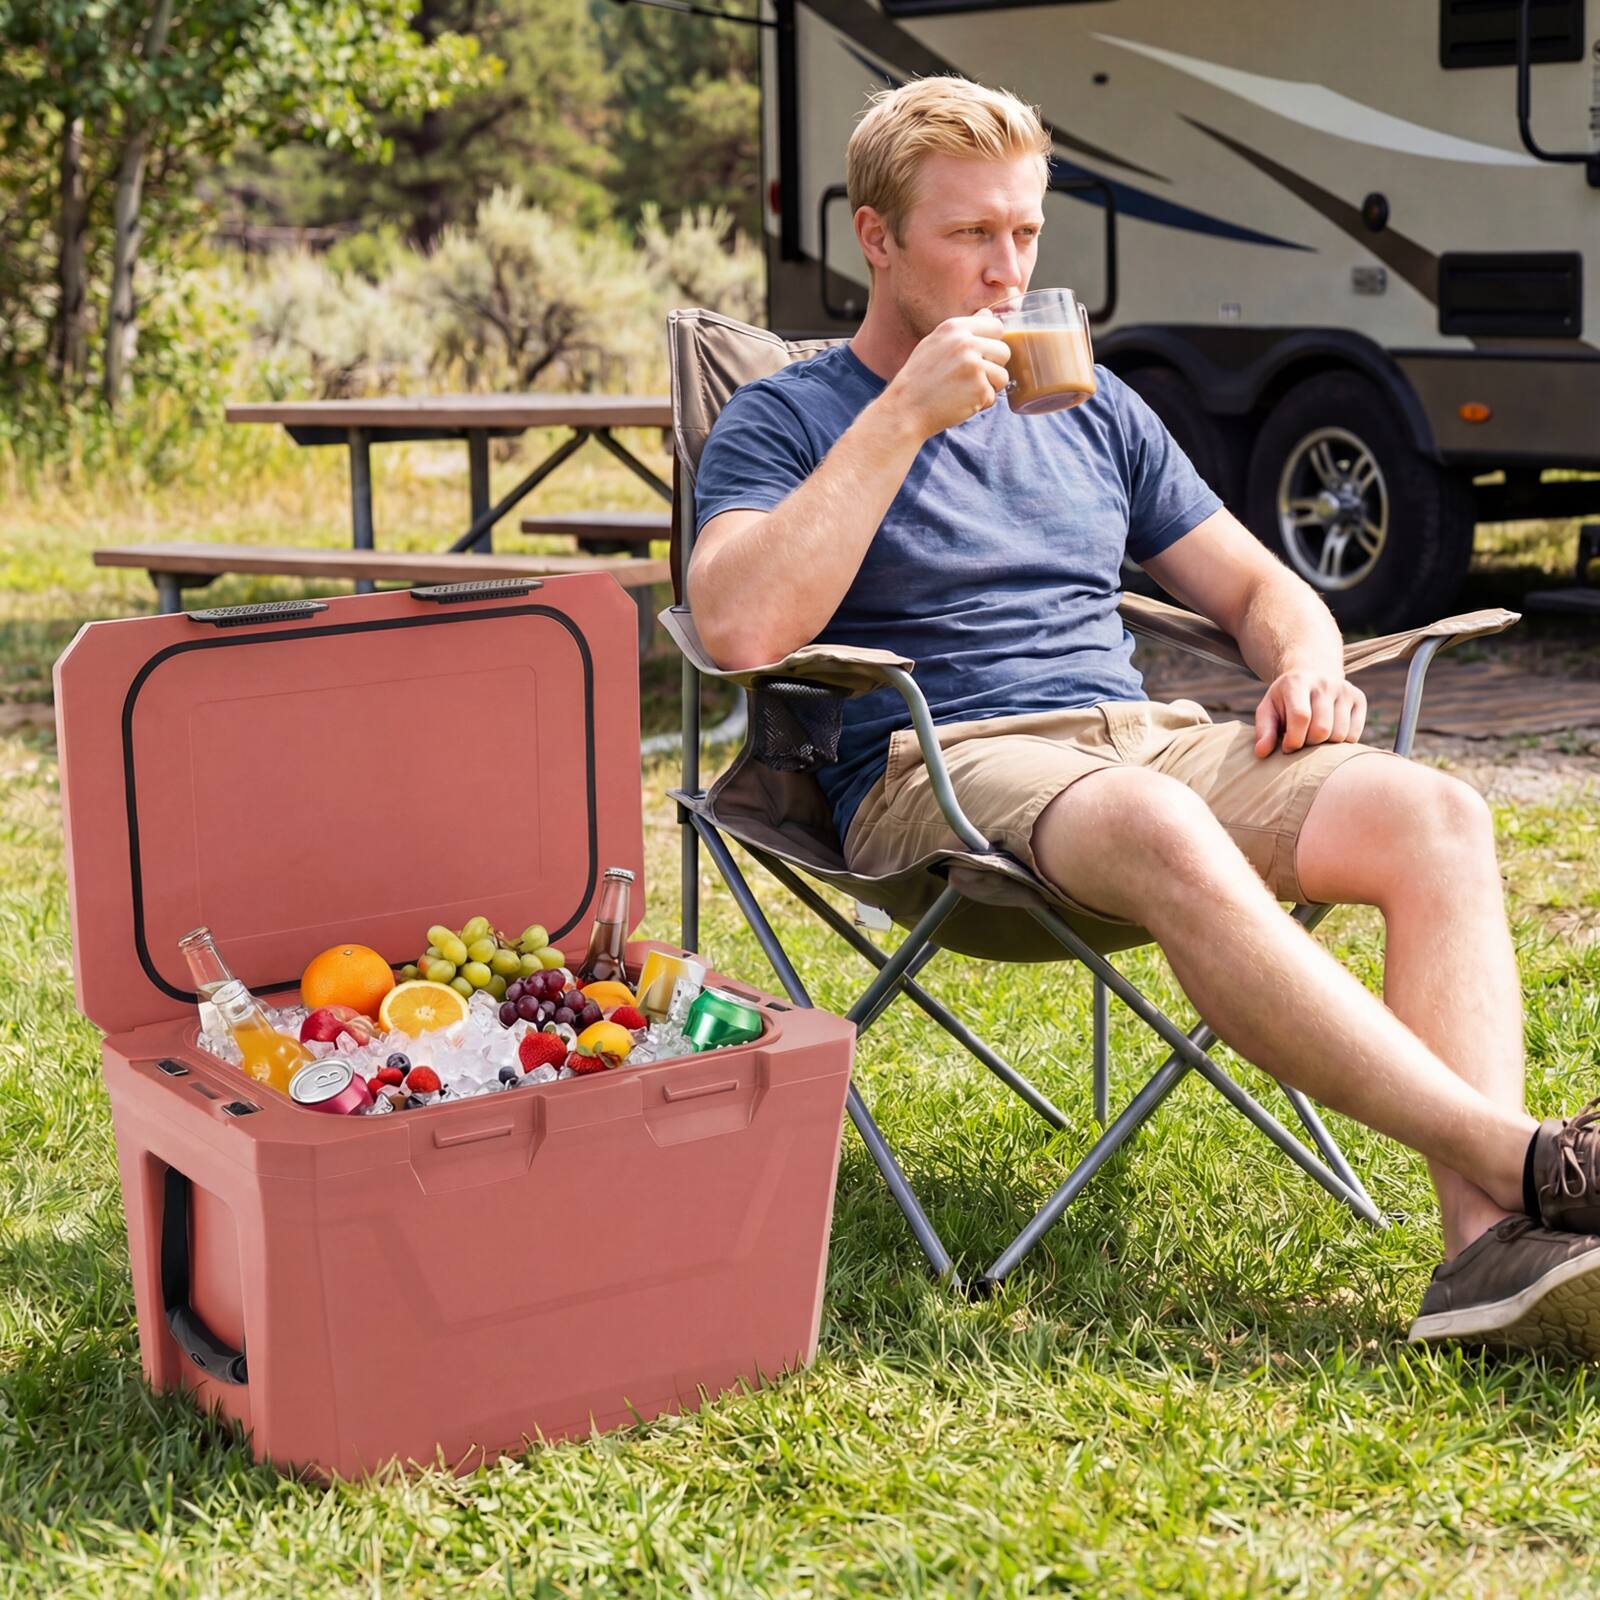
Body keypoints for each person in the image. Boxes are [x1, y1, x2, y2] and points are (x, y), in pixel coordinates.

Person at [686, 74, 1600, 1354]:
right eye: (969, 236)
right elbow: (734, 626)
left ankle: (1486, 1261)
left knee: (1432, 811)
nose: (1007, 273)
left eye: (1025, 232)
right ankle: (1526, 1159)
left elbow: (1257, 582)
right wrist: (899, 418)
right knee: (1164, 820)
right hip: (936, 769)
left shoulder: (1098, 407)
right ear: (876, 239)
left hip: (1137, 740)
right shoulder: (787, 417)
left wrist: (1301, 659)